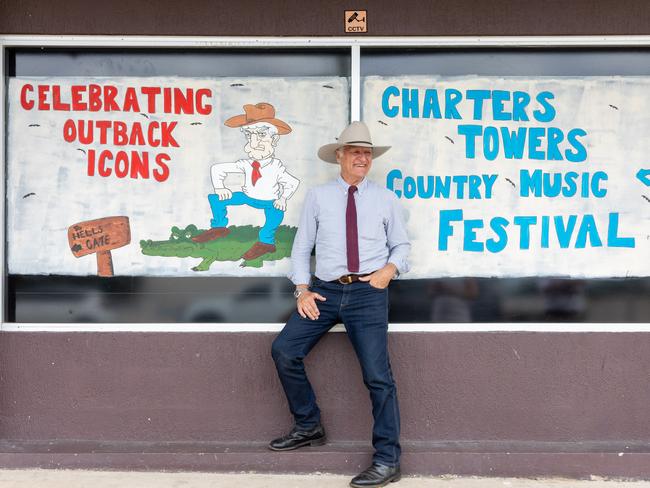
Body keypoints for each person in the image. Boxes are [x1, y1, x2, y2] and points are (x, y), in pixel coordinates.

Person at [270, 121, 410, 487]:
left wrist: (388, 271)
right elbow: (302, 247)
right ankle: (308, 425)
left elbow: (402, 246)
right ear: (340, 156)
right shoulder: (318, 197)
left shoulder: (385, 198)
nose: (362, 158)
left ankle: (387, 459)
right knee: (285, 350)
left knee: (378, 377)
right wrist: (302, 290)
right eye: (355, 152)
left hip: (368, 293)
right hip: (325, 292)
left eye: (367, 152)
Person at [192, 102, 300, 261]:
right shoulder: (247, 164)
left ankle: (266, 242)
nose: (254, 142)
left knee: (276, 214)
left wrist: (283, 198)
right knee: (215, 199)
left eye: (262, 135)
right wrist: (220, 187)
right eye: (250, 136)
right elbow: (217, 169)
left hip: (269, 201)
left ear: (274, 140)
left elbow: (292, 182)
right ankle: (219, 227)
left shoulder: (276, 167)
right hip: (248, 196)